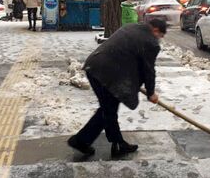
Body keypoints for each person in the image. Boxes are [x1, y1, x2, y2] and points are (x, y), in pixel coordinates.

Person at [68, 19, 166, 157]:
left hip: (94, 65)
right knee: (108, 110)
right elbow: (149, 70)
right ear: (155, 30)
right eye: (160, 35)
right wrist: (151, 93)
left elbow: (126, 54)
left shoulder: (131, 27)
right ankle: (81, 141)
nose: (159, 39)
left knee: (108, 110)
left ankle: (116, 143)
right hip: (109, 74)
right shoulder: (150, 42)